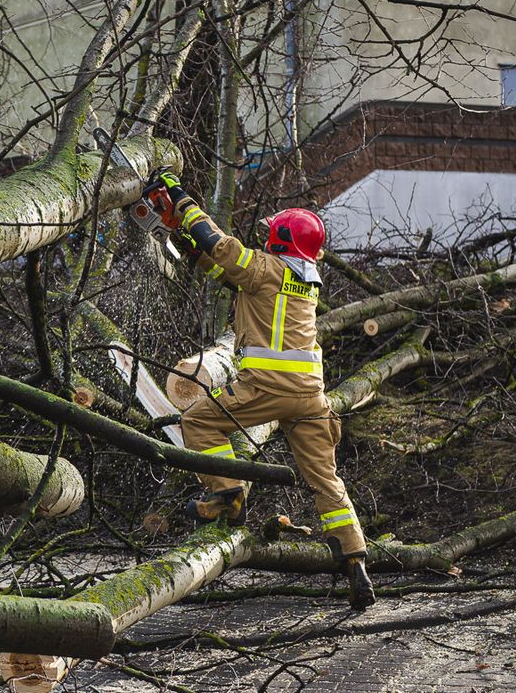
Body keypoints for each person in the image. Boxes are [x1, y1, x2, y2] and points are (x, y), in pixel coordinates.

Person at [143, 168, 376, 611]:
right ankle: (354, 558)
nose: (265, 238)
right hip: (312, 396)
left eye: (272, 234)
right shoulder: (302, 280)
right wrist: (185, 245)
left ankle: (229, 494)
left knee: (199, 422)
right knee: (326, 480)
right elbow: (222, 268)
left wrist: (180, 197)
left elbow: (220, 245)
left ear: (283, 241)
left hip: (268, 388)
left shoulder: (266, 268)